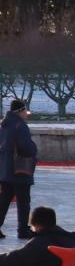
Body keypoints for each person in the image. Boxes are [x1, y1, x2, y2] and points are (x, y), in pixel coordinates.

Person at [0, 99, 37, 239]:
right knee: (23, 202)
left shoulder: (3, 124)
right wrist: (34, 148)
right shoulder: (20, 126)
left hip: (5, 171)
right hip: (19, 170)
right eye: (25, 112)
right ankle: (23, 230)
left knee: (3, 201)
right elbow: (27, 148)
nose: (26, 115)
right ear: (20, 111)